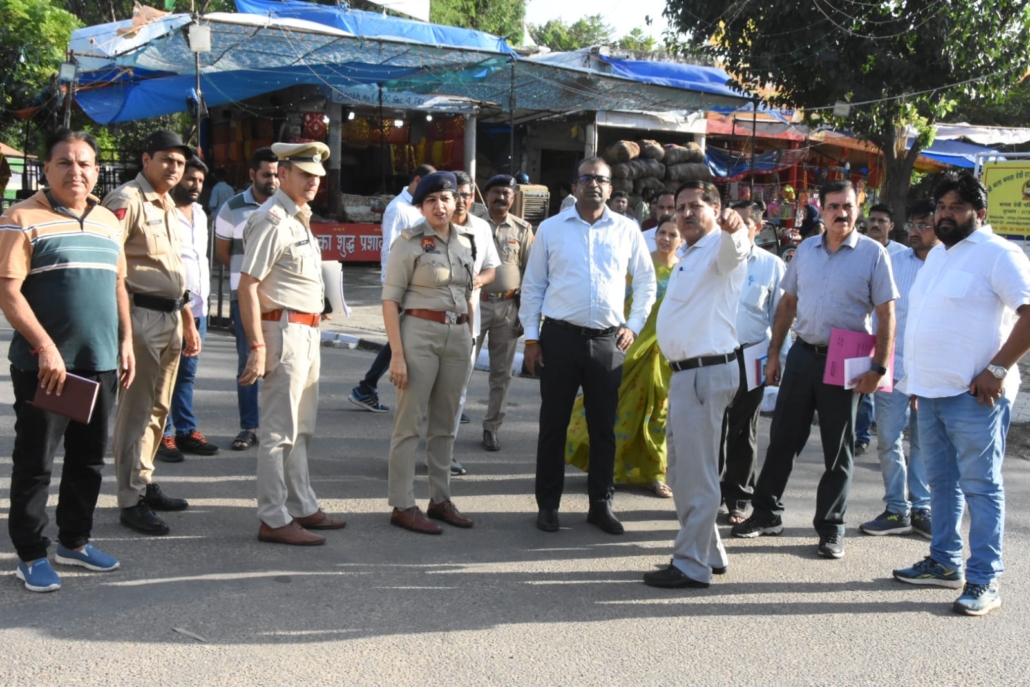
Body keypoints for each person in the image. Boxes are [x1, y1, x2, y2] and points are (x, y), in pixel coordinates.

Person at [731, 180, 897, 560]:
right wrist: (775, 355)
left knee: (838, 450)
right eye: (834, 205)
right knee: (783, 439)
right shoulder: (806, 249)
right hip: (803, 355)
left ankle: (831, 527)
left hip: (847, 357)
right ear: (820, 210)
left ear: (859, 208)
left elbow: (888, 316)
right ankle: (766, 514)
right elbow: (787, 304)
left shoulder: (873, 255)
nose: (842, 213)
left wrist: (879, 367)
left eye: (849, 206)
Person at [0, 129, 133, 592]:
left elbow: (118, 286)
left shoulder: (108, 221)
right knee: (36, 461)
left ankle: (73, 542)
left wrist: (126, 343)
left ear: (96, 170)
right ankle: (31, 554)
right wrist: (45, 347)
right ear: (46, 168)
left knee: (88, 459)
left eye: (84, 163)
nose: (75, 171)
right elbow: (9, 292)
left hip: (99, 362)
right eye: (65, 163)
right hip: (47, 368)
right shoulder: (20, 217)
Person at [893, 172, 1030, 616]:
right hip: (930, 393)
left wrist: (997, 368)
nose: (944, 214)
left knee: (981, 487)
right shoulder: (937, 256)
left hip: (976, 397)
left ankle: (984, 579)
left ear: (980, 213)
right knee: (942, 485)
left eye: (955, 207)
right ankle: (943, 561)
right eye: (941, 206)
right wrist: (915, 380)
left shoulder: (998, 254)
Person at [521, 157, 656, 535]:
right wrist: (531, 337)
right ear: (574, 186)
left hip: (607, 342)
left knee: (603, 428)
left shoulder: (627, 230)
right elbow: (533, 287)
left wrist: (634, 325)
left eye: (601, 179)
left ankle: (601, 504)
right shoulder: (551, 229)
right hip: (559, 338)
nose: (594, 184)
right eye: (586, 178)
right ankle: (548, 505)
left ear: (611, 189)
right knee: (553, 425)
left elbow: (646, 282)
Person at [237, 141, 346, 546]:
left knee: (302, 428)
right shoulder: (273, 219)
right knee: (279, 431)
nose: (314, 182)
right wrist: (257, 346)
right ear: (282, 174)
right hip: (281, 332)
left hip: (306, 328)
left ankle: (300, 504)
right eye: (305, 174)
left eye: (318, 176)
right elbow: (247, 286)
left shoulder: (299, 217)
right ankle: (273, 515)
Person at [643, 181, 750, 589]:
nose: (687, 213)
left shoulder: (721, 246)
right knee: (688, 471)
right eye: (681, 206)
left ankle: (691, 565)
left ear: (717, 209)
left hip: (704, 372)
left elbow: (736, 249)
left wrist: (734, 227)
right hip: (689, 374)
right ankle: (709, 552)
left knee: (695, 475)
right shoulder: (690, 252)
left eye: (696, 206)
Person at [104, 130, 201, 536]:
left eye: (180, 163)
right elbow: (112, 269)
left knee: (159, 408)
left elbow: (175, 273)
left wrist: (189, 319)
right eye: (166, 160)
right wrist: (124, 332)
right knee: (136, 410)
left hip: (172, 316)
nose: (174, 169)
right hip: (141, 317)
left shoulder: (168, 205)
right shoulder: (126, 200)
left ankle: (143, 481)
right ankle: (129, 499)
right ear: (146, 160)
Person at [382, 171, 476, 535]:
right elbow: (390, 300)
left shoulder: (464, 241)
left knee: (445, 424)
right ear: (421, 206)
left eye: (446, 199)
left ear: (457, 203)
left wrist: (468, 333)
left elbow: (467, 291)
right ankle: (403, 504)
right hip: (418, 333)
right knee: (409, 425)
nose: (440, 206)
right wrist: (397, 354)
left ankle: (440, 499)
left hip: (456, 335)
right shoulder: (408, 242)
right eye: (432, 200)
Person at [565, 215, 682, 498]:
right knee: (616, 408)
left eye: (672, 234)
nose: (666, 238)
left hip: (665, 352)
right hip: (631, 345)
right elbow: (621, 301)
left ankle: (655, 473)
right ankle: (609, 469)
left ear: (682, 240)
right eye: (662, 232)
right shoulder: (640, 265)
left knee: (658, 413)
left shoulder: (684, 270)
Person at [858, 199, 938, 538]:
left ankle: (922, 507)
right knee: (888, 440)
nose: (917, 231)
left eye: (925, 225)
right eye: (914, 226)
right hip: (891, 367)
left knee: (924, 443)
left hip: (932, 373)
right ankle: (896, 509)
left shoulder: (946, 265)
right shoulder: (892, 260)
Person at [719, 200, 788, 526]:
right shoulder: (716, 256)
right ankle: (708, 493)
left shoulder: (772, 266)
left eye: (744, 222)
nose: (734, 227)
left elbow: (781, 317)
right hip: (714, 353)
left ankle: (738, 496)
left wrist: (778, 358)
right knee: (712, 426)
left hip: (752, 354)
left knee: (744, 428)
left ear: (758, 228)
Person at [349, 164, 435, 413]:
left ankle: (366, 388)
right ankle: (367, 387)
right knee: (403, 340)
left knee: (402, 339)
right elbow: (388, 249)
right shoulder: (398, 209)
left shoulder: (422, 207)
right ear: (417, 180)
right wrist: (391, 289)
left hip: (420, 284)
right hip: (403, 285)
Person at [214, 147, 279, 451]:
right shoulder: (231, 208)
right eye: (267, 174)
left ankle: (278, 428)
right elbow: (224, 253)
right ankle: (249, 427)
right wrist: (247, 282)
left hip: (279, 299)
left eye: (278, 174)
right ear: (252, 174)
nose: (273, 180)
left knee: (280, 364)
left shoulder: (288, 207)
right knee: (248, 361)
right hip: (245, 299)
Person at [157, 156, 218, 462]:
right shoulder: (161, 211)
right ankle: (161, 434)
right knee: (164, 374)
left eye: (200, 182)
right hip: (170, 308)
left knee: (187, 376)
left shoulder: (200, 213)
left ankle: (185, 431)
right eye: (190, 179)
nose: (195, 186)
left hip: (199, 308)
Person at [475, 174, 534, 452]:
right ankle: (447, 421)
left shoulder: (522, 230)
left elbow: (532, 274)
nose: (501, 197)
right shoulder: (472, 225)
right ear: (486, 195)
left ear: (513, 198)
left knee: (502, 373)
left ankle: (492, 428)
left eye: (507, 193)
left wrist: (527, 314)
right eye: (496, 191)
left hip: (509, 308)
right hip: (476, 304)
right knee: (458, 368)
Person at [451, 171, 499, 474]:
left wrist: (476, 281)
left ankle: (444, 452)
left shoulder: (481, 228)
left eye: (466, 195)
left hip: (468, 323)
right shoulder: (432, 224)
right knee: (423, 393)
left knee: (457, 393)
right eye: (454, 194)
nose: (460, 200)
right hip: (429, 321)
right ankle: (412, 450)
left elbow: (492, 268)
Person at [854, 203, 909, 453]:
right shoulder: (859, 249)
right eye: (872, 220)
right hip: (864, 332)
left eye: (882, 221)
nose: (876, 224)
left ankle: (890, 444)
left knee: (887, 390)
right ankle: (861, 436)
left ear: (891, 226)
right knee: (862, 388)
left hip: (892, 335)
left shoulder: (901, 255)